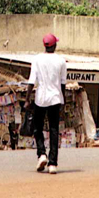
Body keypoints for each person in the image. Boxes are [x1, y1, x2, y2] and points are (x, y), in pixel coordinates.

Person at [25, 34, 67, 174]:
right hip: (55, 98)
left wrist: (27, 99)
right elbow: (62, 84)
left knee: (38, 128)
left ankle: (41, 154)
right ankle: (52, 164)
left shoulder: (36, 59)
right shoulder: (61, 61)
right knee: (54, 130)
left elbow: (32, 81)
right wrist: (63, 101)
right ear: (54, 45)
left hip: (40, 99)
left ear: (45, 45)